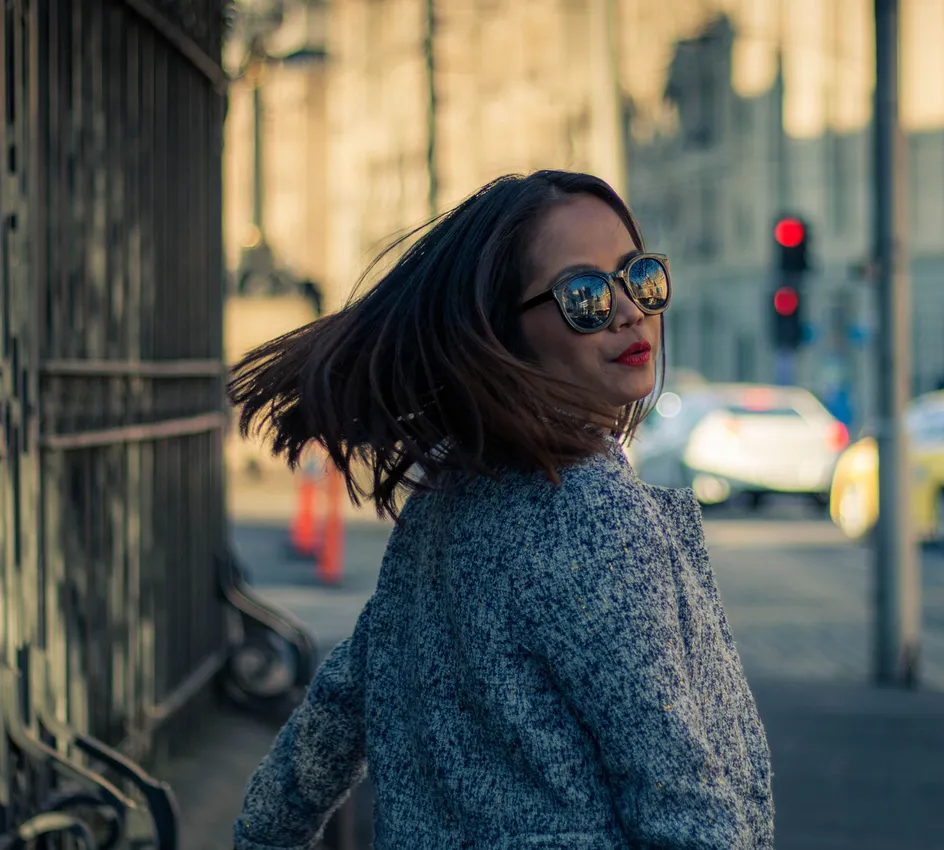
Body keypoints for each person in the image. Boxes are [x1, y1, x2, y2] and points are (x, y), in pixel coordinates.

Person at [228, 171, 774, 849]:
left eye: (639, 276)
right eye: (585, 297)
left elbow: (330, 724)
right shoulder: (592, 516)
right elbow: (684, 802)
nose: (630, 311)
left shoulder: (441, 513)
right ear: (506, 334)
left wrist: (257, 838)